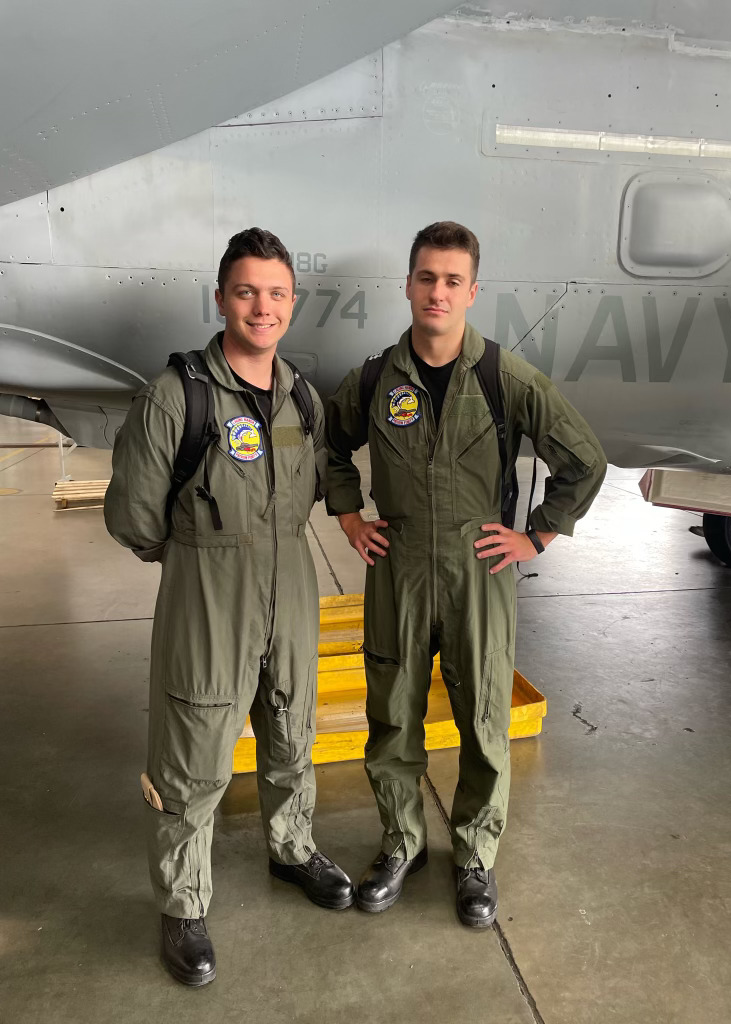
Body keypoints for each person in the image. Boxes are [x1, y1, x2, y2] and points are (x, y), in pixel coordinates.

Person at [325, 221, 607, 928]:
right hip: (398, 567)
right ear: (409, 284)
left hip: (480, 569)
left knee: (484, 717)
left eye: (452, 280)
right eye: (427, 277)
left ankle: (475, 856)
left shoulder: (503, 379)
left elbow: (585, 460)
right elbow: (327, 446)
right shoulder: (374, 379)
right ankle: (402, 842)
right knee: (393, 711)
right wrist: (350, 516)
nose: (438, 292)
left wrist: (537, 534)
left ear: (472, 291)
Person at [105, 228, 353, 988]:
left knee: (292, 731)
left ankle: (291, 848)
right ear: (221, 298)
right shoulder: (176, 396)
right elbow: (133, 518)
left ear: (292, 303)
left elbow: (307, 492)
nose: (262, 307)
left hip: (292, 592)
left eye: (276, 293)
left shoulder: (302, 397)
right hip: (208, 602)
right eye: (246, 291)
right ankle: (183, 906)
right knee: (195, 756)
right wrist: (198, 564)